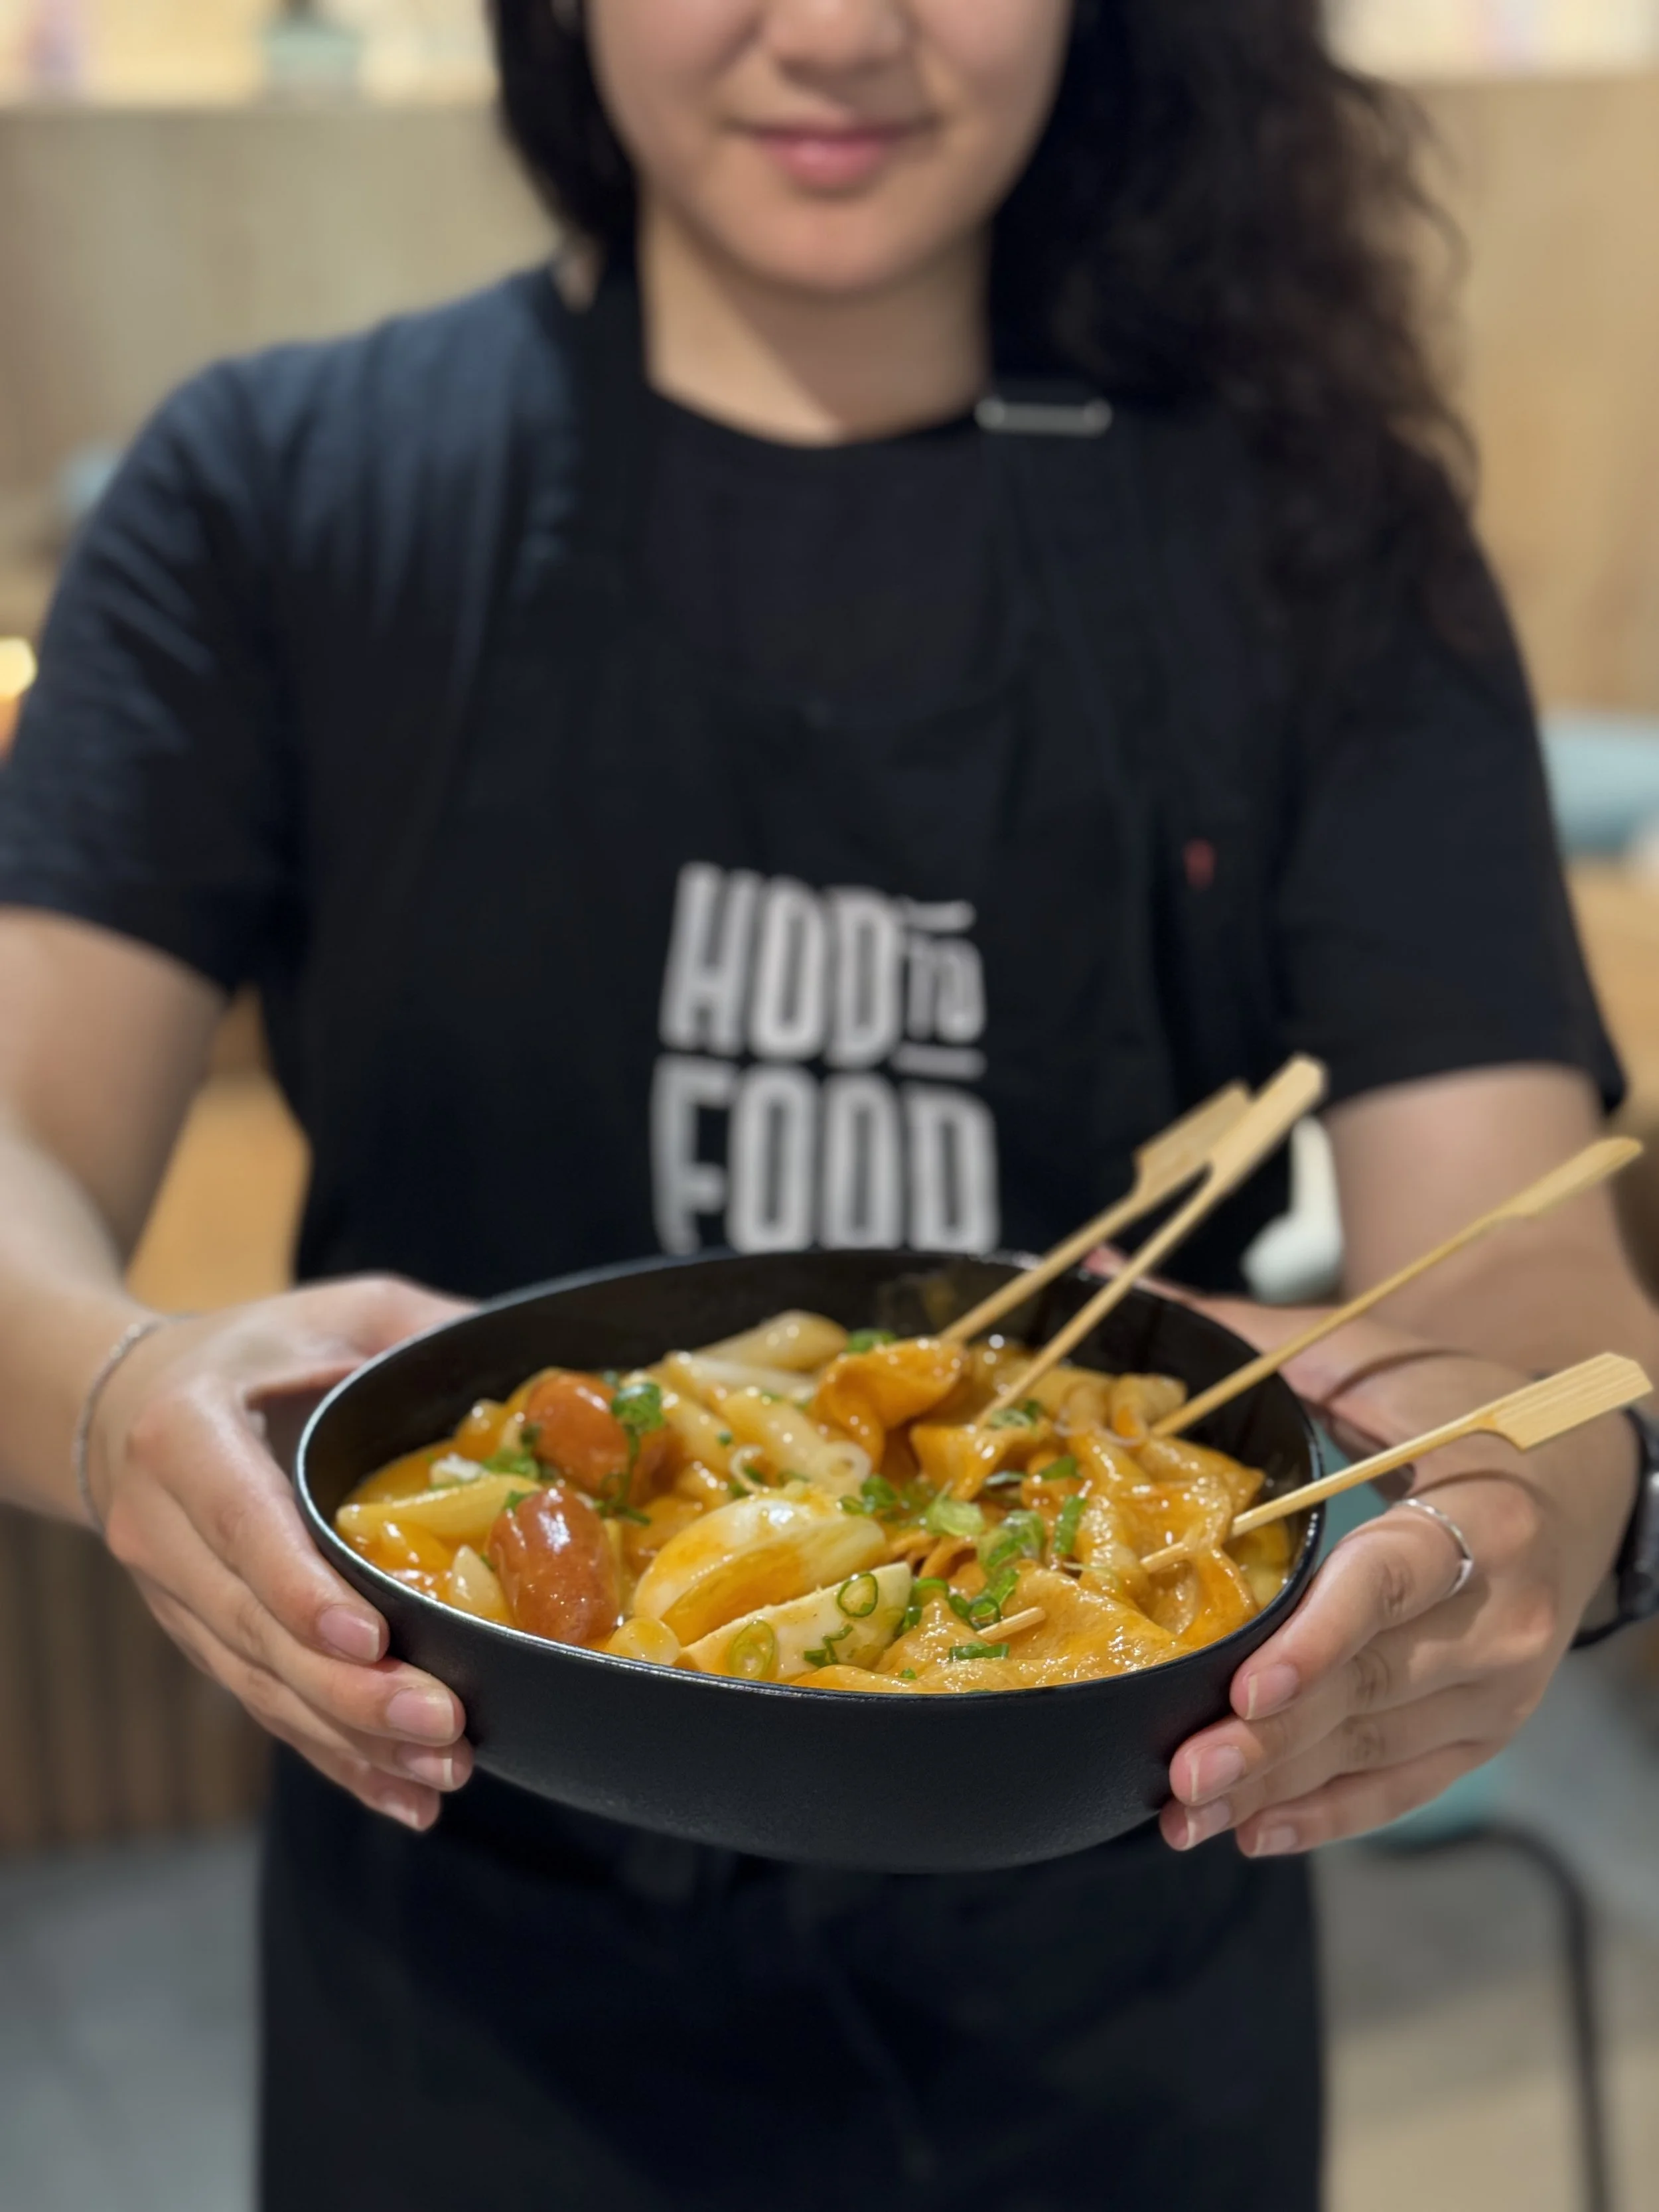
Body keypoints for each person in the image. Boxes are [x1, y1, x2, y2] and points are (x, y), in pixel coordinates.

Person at [0, 1, 1654, 2205]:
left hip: (1118, 1956)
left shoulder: (1313, 540)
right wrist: (114, 1395)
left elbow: (1520, 1258)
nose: (840, 25)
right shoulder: (282, 495)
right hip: (471, 1983)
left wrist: (1536, 1501)